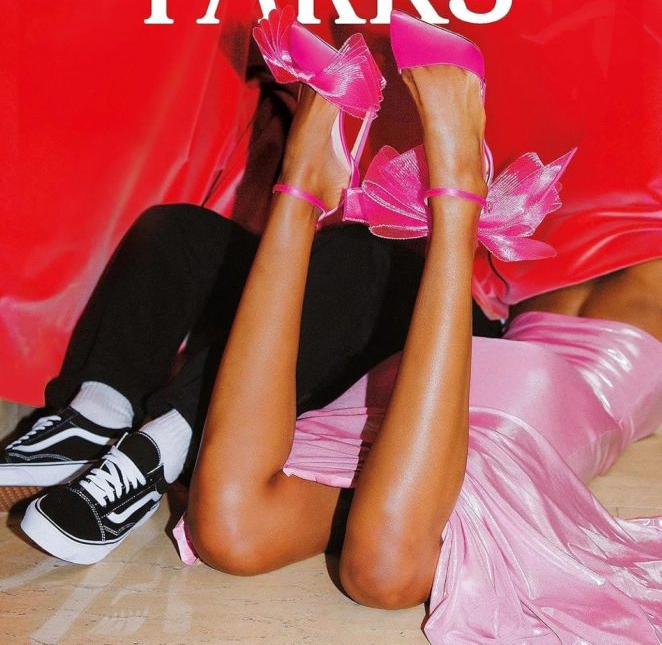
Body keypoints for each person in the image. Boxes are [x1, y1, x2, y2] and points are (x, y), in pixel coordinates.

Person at [158, 9, 660, 644]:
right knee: (357, 563)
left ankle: (307, 183)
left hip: (464, 380)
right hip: (506, 395)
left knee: (245, 534)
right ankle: (443, 191)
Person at [1, 45, 498, 562]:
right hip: (317, 263)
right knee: (179, 230)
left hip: (423, 320)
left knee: (358, 253)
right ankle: (94, 414)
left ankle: (162, 447)